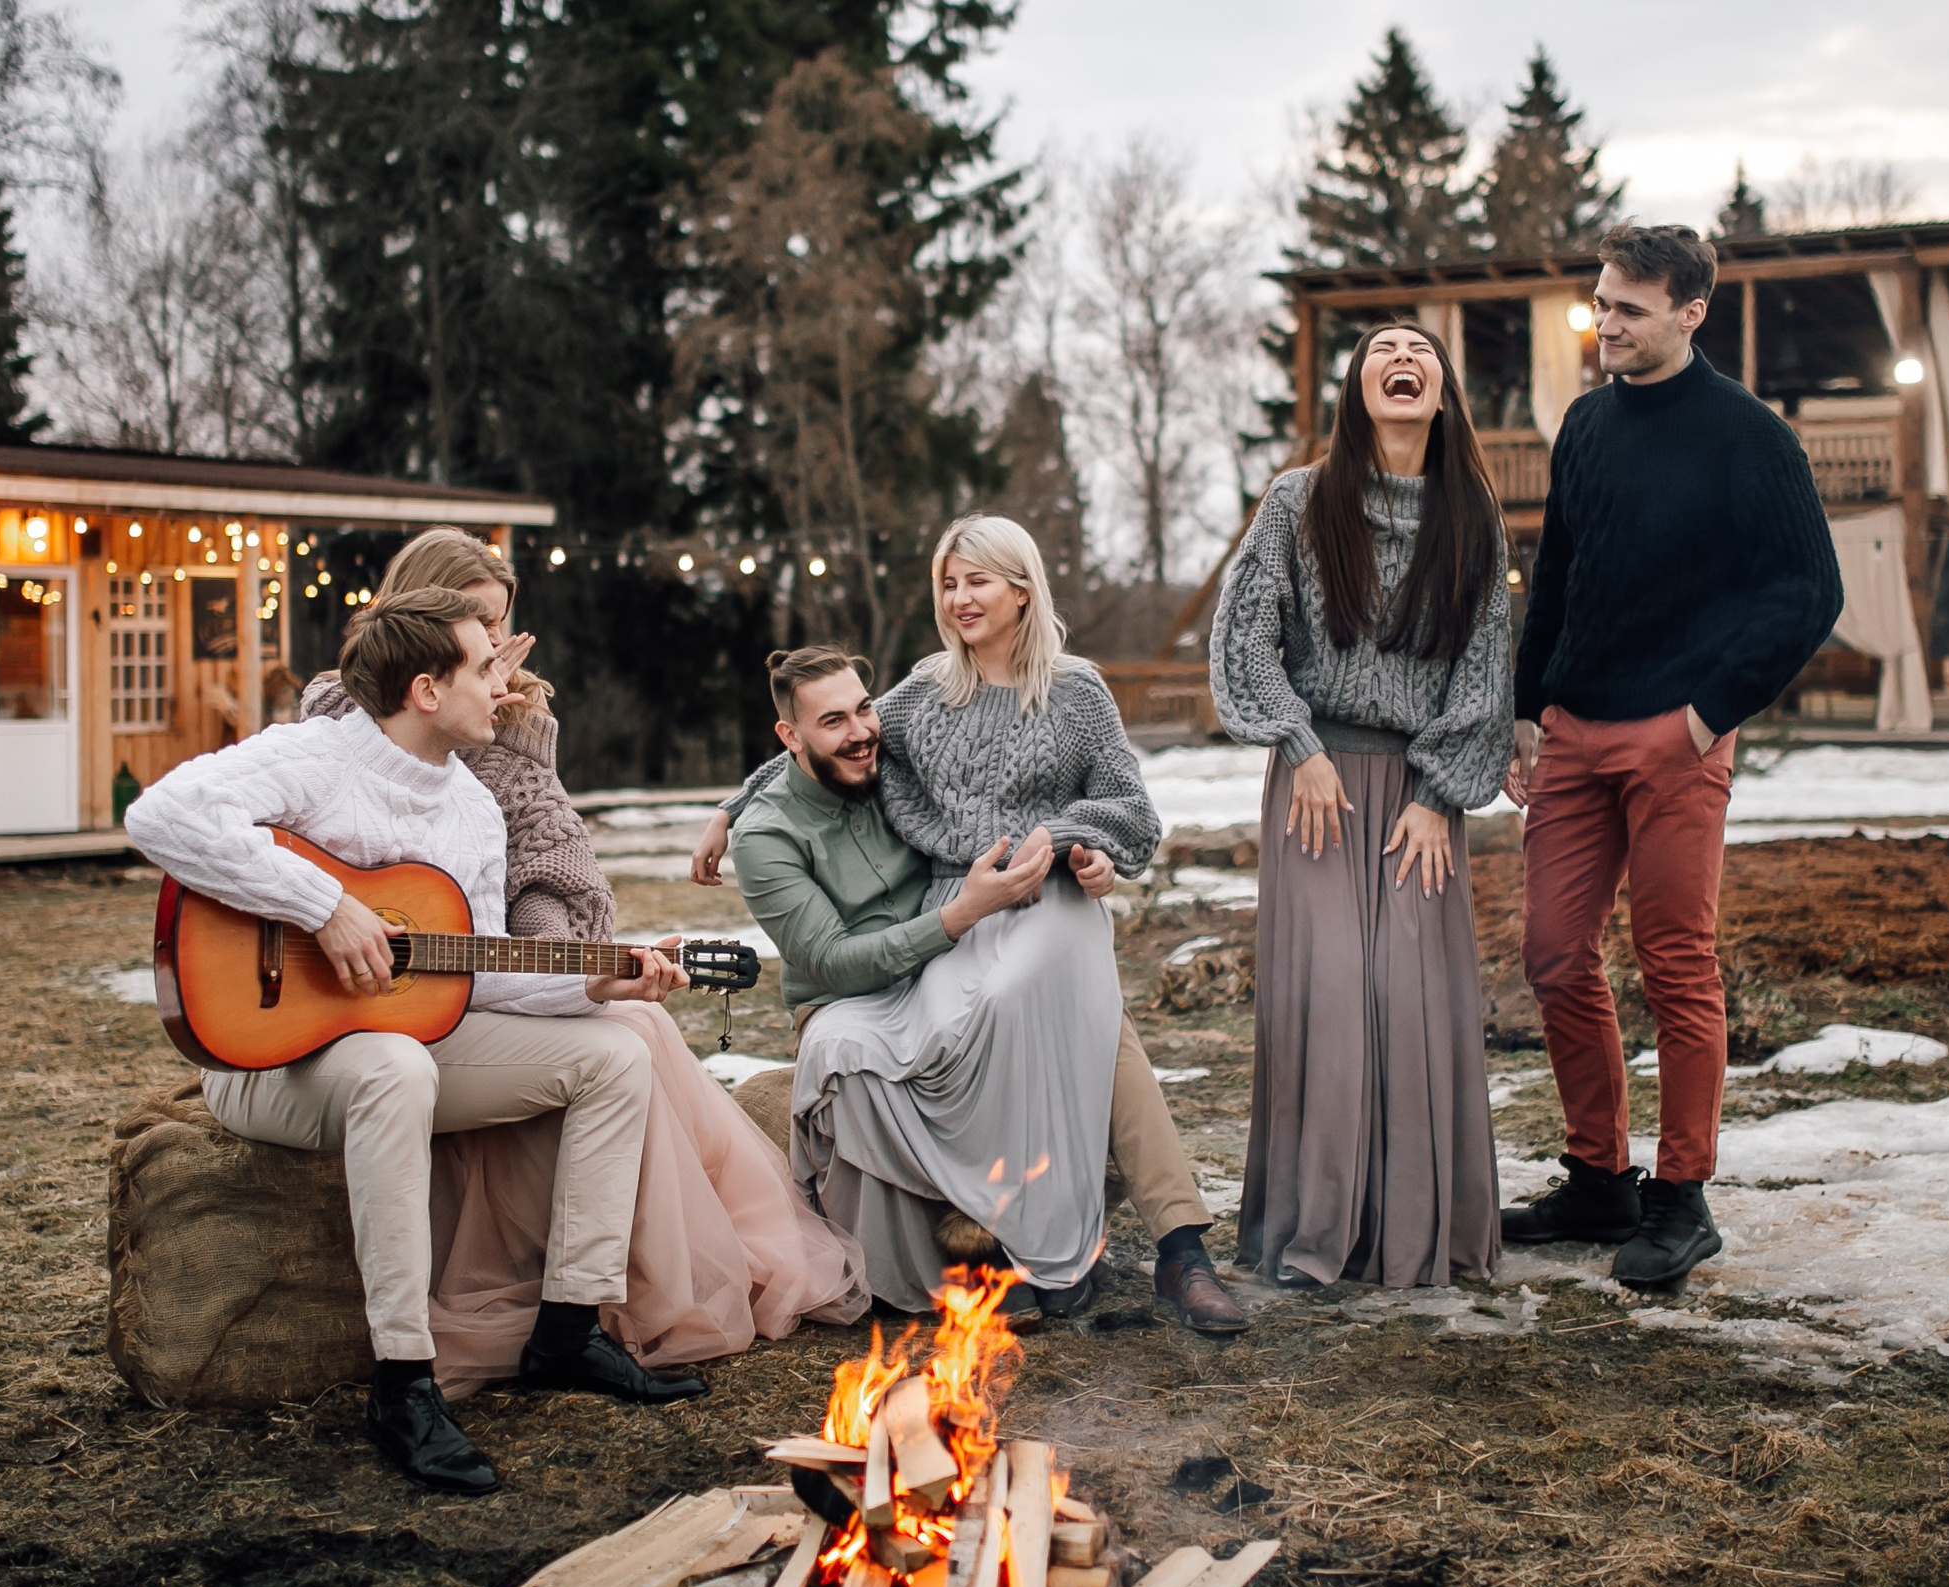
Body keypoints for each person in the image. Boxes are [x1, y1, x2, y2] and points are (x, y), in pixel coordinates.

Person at [126, 587, 697, 1500]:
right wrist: (325, 906)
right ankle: (404, 1383)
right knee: (395, 1066)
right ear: (426, 689)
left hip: (392, 1038)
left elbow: (471, 969)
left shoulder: (469, 806)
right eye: (484, 668)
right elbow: (161, 816)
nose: (502, 690)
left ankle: (568, 1326)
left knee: (616, 1049)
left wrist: (594, 977)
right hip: (262, 1053)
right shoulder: (313, 758)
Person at [298, 530, 867, 1390]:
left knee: (630, 1018)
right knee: (618, 1031)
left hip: (481, 967)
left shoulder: (510, 726)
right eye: (476, 631)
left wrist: (567, 953)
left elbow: (541, 865)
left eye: (502, 630)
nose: (497, 653)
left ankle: (620, 1292)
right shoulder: (339, 718)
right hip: (383, 1001)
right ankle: (619, 1290)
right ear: (423, 635)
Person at [697, 521, 1247, 1333]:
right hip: (959, 904)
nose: (959, 600)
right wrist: (733, 805)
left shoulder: (1077, 691)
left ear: (1022, 588)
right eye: (949, 585)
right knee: (971, 1023)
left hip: (1051, 894)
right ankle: (1020, 1246)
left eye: (978, 582)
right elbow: (825, 736)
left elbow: (1133, 808)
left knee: (1029, 993)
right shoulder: (925, 689)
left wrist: (1085, 849)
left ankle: (1178, 1249)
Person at [1502, 224, 1842, 1288]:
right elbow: (1555, 573)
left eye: (1629, 309)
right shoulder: (1585, 424)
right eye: (1601, 304)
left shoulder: (1749, 437)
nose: (1606, 324)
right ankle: (1599, 1178)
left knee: (1675, 963)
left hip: (1673, 737)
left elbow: (1807, 592)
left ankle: (1681, 1196)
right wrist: (1526, 703)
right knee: (1554, 954)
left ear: (1689, 312)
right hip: (1573, 730)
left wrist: (1706, 714)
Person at [1209, 323, 1513, 1290]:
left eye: (1420, 350)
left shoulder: (1470, 513)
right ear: (1357, 385)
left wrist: (1437, 794)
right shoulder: (1300, 501)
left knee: (1411, 999)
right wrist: (1296, 745)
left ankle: (1417, 1238)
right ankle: (1315, 1235)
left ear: (1442, 391)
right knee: (1333, 997)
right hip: (1319, 785)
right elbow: (1245, 636)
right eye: (1382, 347)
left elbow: (1484, 665)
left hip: (1422, 794)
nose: (1402, 357)